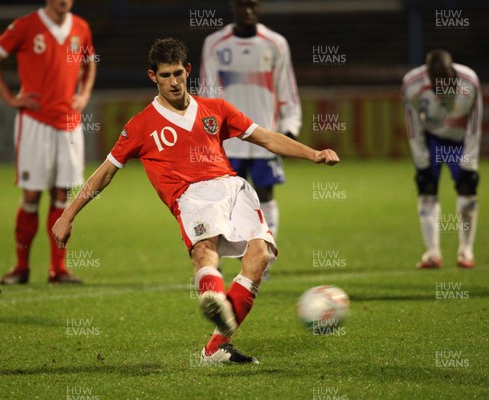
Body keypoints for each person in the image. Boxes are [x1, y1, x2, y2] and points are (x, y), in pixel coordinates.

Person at [52, 38, 338, 364]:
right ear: (152, 77)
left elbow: (266, 137)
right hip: (191, 196)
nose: (173, 82)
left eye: (178, 73)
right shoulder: (140, 125)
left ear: (188, 70)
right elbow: (104, 173)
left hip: (233, 187)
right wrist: (68, 215)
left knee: (260, 256)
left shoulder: (215, 109)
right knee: (205, 250)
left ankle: (216, 347)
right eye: (165, 76)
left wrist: (313, 153)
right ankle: (212, 296)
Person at [0, 0, 96, 284]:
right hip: (35, 122)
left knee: (62, 194)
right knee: (31, 196)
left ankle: (58, 269)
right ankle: (21, 268)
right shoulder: (26, 26)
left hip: (69, 122)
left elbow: (89, 63)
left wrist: (84, 94)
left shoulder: (81, 27)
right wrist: (10, 98)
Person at [199, 0, 301, 273]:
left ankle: (263, 259)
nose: (247, 11)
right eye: (242, 5)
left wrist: (290, 125)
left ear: (259, 8)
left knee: (265, 196)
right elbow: (207, 90)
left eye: (252, 5)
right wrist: (206, 132)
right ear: (233, 7)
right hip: (227, 141)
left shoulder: (275, 43)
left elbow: (286, 87)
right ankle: (214, 260)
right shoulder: (215, 43)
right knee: (222, 201)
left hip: (263, 136)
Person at [402, 50, 482, 269]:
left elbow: (475, 123)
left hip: (459, 139)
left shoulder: (470, 81)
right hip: (431, 139)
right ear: (428, 76)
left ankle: (466, 251)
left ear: (452, 74)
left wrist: (470, 159)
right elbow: (413, 125)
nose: (442, 91)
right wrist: (421, 158)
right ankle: (432, 252)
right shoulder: (412, 84)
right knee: (426, 188)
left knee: (468, 186)